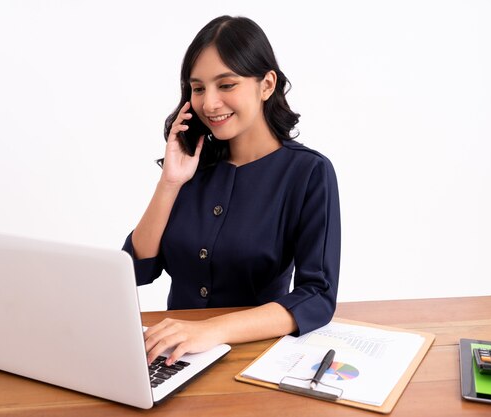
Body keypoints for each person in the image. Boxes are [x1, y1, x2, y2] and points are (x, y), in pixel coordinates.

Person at [123, 15, 340, 366]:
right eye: (198, 88)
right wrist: (170, 183)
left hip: (251, 359)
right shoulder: (192, 166)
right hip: (170, 358)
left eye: (226, 85)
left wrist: (211, 330)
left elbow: (318, 296)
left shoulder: (308, 173)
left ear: (266, 84)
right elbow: (137, 269)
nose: (209, 104)